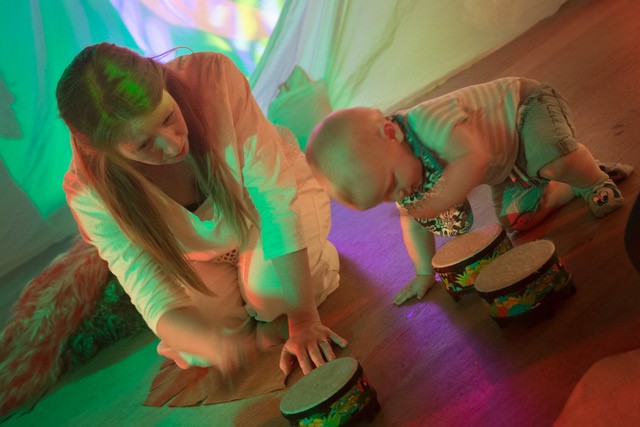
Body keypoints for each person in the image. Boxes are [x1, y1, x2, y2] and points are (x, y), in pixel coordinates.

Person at [57, 42, 347, 377]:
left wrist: (304, 319)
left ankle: (284, 277)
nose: (172, 143)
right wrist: (217, 347)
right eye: (144, 144)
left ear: (162, 81)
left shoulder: (214, 77)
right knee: (198, 340)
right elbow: (149, 290)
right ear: (107, 154)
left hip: (272, 208)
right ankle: (251, 289)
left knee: (273, 296)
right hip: (206, 254)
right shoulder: (88, 190)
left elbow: (275, 200)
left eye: (168, 117)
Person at [305, 77, 632, 305]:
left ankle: (592, 179)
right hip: (509, 166)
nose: (397, 195)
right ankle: (567, 189)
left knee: (552, 159)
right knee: (518, 220)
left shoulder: (428, 121)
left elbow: (475, 158)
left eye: (391, 185)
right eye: (384, 197)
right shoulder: (401, 172)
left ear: (390, 132)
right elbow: (413, 220)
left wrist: (442, 199)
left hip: (527, 112)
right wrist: (423, 274)